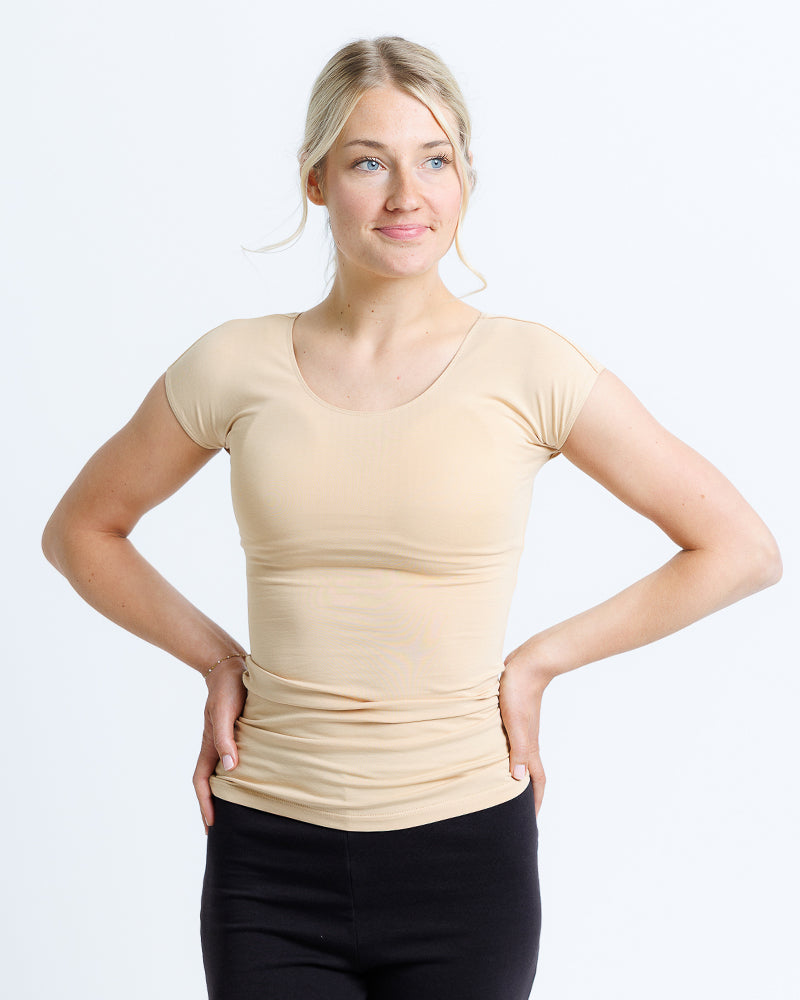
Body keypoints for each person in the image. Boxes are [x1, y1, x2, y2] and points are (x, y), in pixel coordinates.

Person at [41, 35, 781, 1000]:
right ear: (316, 180)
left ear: (466, 179)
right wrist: (219, 659)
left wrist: (540, 661)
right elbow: (81, 530)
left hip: (466, 858)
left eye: (435, 160)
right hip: (269, 855)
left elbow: (740, 549)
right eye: (368, 161)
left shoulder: (532, 368)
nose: (406, 195)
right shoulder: (231, 365)